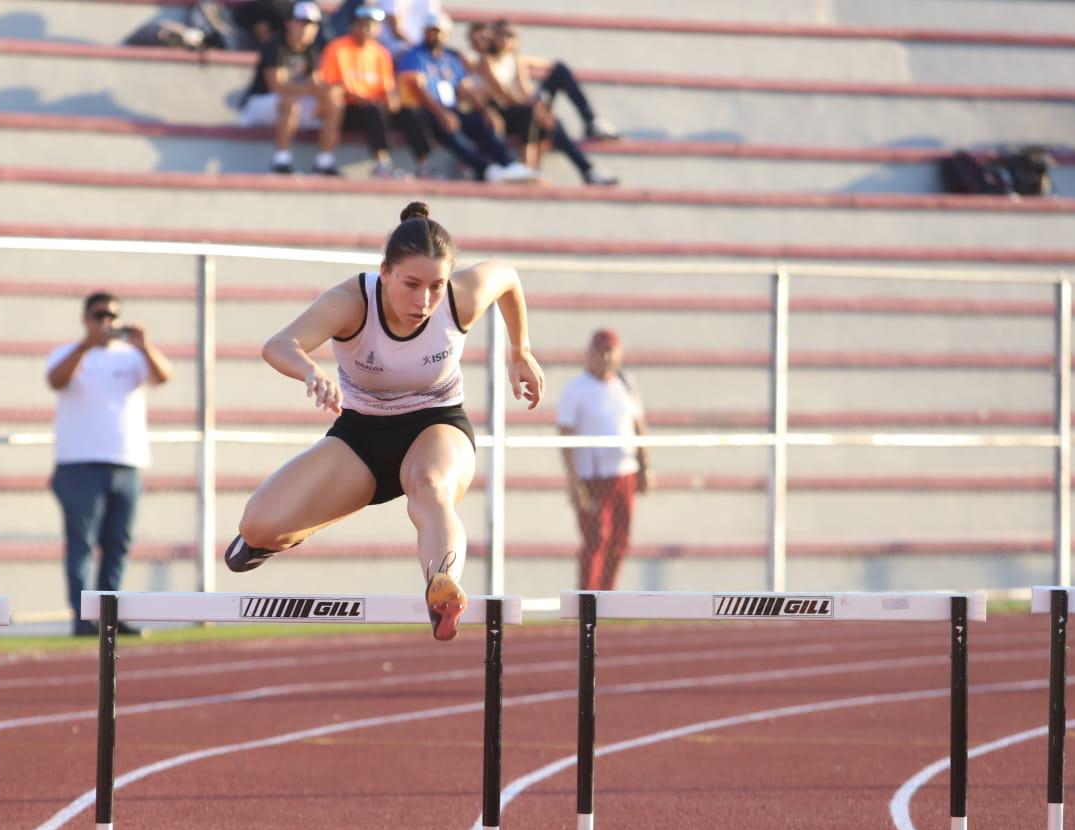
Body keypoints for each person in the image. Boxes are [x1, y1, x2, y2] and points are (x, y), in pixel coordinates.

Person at [224, 202, 544, 642]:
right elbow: (279, 345)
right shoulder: (352, 301)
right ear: (385, 273)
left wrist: (520, 350)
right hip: (362, 436)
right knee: (259, 526)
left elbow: (507, 277)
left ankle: (443, 587)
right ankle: (285, 532)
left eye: (435, 285)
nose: (424, 300)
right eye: (411, 285)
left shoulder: (459, 297)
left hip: (437, 425)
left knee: (431, 487)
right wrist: (310, 370)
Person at [46, 292, 172, 636]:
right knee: (82, 543)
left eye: (112, 315)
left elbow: (164, 376)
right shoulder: (69, 354)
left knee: (118, 545)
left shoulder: (132, 356)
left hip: (126, 464)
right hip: (79, 464)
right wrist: (86, 345)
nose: (106, 322)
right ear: (85, 319)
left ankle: (109, 616)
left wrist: (145, 345)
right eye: (99, 315)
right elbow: (55, 380)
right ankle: (82, 618)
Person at [556, 329, 651, 591]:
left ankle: (608, 597)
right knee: (596, 538)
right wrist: (574, 481)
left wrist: (645, 466)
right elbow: (565, 436)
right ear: (590, 354)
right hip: (593, 475)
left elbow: (638, 425)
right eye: (601, 352)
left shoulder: (626, 384)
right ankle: (587, 598)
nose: (606, 358)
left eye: (611, 352)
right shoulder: (576, 389)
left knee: (620, 539)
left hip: (623, 472)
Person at [471, 18, 617, 185]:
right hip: (500, 115)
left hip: (523, 110)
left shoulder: (516, 60)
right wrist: (537, 107)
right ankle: (585, 169)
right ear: (493, 37)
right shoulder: (487, 62)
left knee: (560, 71)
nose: (506, 40)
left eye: (510, 35)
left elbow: (545, 72)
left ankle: (591, 121)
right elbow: (507, 99)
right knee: (549, 120)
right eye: (501, 35)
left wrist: (538, 100)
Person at [396, 14, 537, 182]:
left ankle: (509, 164)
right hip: (428, 110)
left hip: (451, 108)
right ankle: (485, 169)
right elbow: (419, 89)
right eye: (431, 31)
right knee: (450, 129)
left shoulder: (450, 57)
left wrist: (486, 111)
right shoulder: (414, 55)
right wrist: (441, 113)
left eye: (438, 31)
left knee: (483, 123)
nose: (434, 35)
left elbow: (463, 88)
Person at [315, 4, 433, 178]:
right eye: (363, 24)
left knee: (409, 113)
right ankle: (381, 163)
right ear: (353, 25)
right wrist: (361, 98)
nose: (367, 29)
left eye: (372, 25)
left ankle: (424, 164)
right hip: (348, 109)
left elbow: (387, 89)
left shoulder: (381, 53)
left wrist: (392, 99)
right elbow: (332, 86)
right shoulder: (337, 48)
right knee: (373, 109)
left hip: (373, 107)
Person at [238, 1, 329, 173]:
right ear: (289, 23)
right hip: (257, 106)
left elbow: (316, 83)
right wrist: (313, 90)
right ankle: (281, 160)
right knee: (290, 103)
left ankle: (325, 160)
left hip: (289, 105)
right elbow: (277, 86)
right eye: (301, 22)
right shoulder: (275, 45)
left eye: (312, 25)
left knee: (333, 103)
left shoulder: (311, 50)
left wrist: (327, 92)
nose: (306, 29)